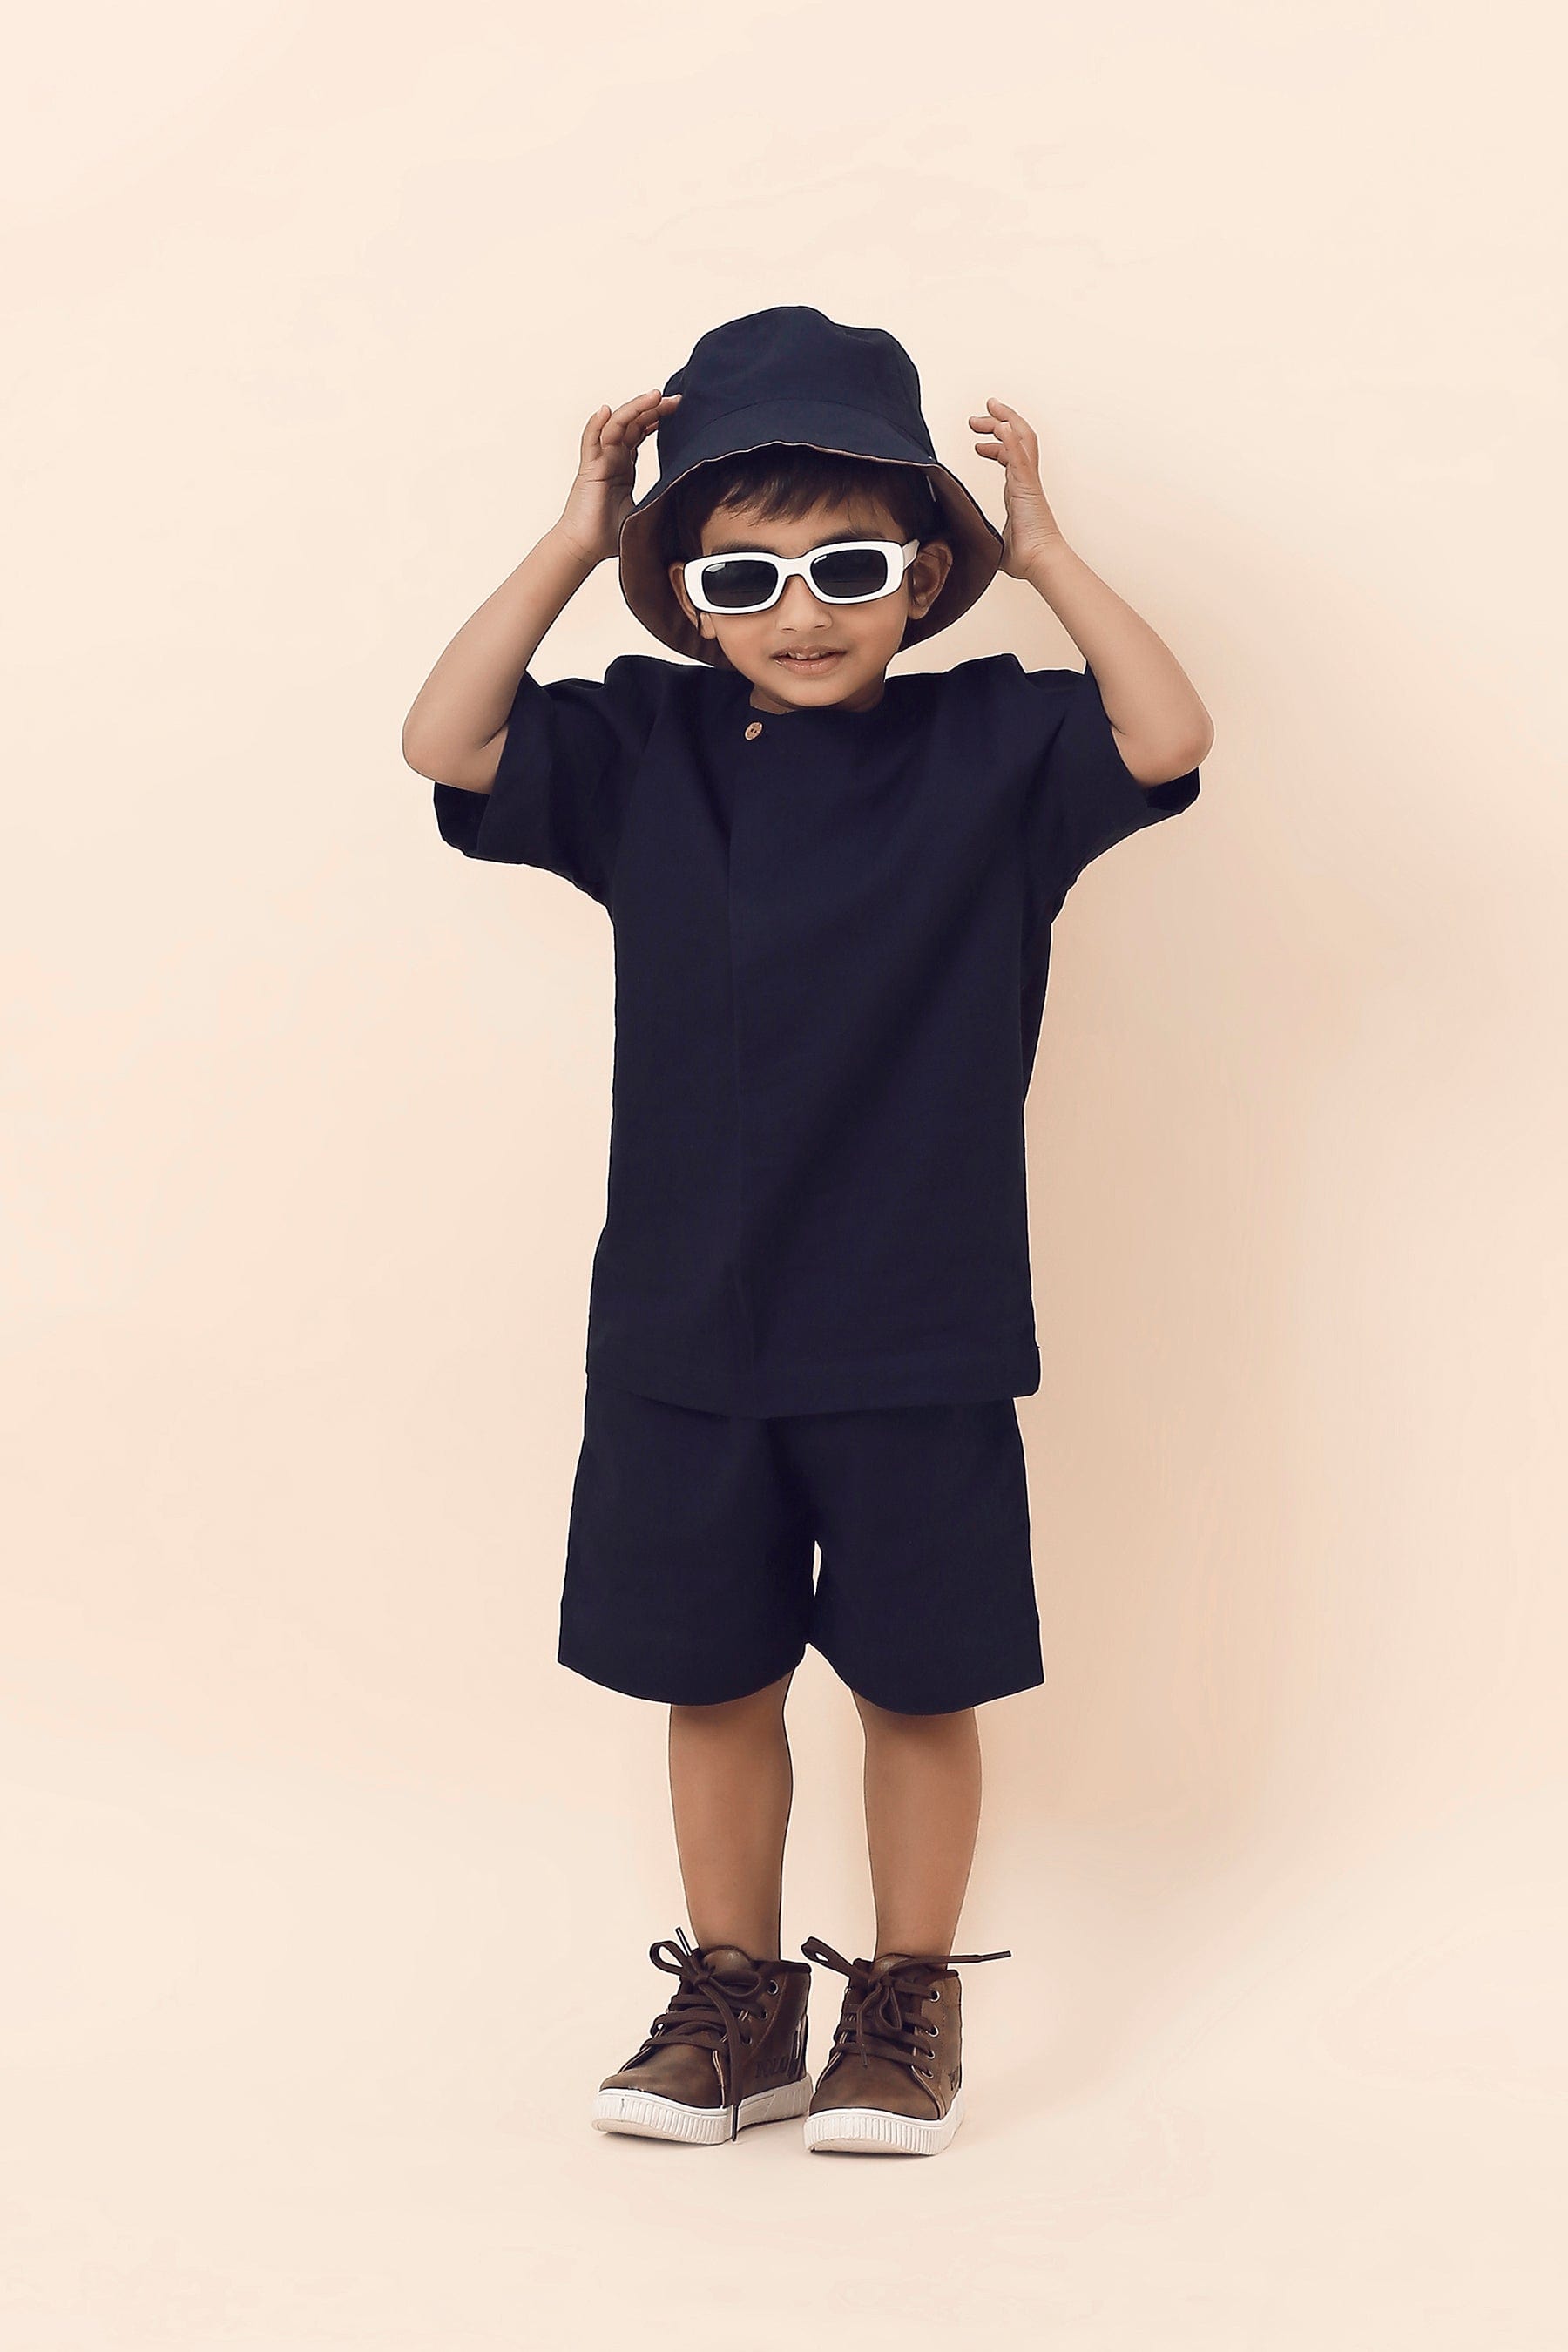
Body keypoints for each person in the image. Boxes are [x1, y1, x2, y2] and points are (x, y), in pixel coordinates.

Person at [402, 306, 1213, 2158]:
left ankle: (906, 2006)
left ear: (923, 577)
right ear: (687, 600)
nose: (803, 610)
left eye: (851, 567)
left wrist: (1050, 553)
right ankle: (736, 2009)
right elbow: (445, 738)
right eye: (744, 575)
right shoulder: (646, 745)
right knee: (715, 1671)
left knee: (921, 1678)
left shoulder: (994, 746)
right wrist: (575, 535)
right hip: (686, 1317)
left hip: (918, 1314)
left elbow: (1167, 730)